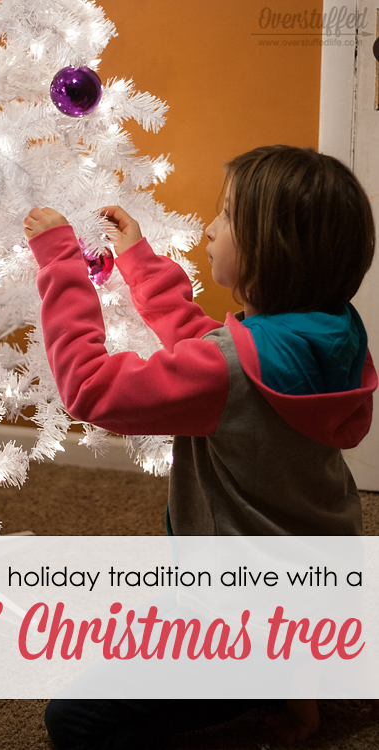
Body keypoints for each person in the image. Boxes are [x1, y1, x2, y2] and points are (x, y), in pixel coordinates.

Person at [23, 145, 377, 748]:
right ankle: (297, 673)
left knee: (74, 718)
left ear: (272, 251)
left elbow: (89, 388)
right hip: (321, 579)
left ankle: (263, 676)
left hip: (248, 617)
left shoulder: (231, 368)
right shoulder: (331, 330)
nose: (211, 226)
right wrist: (137, 260)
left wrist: (61, 265)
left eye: (227, 214)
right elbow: (208, 349)